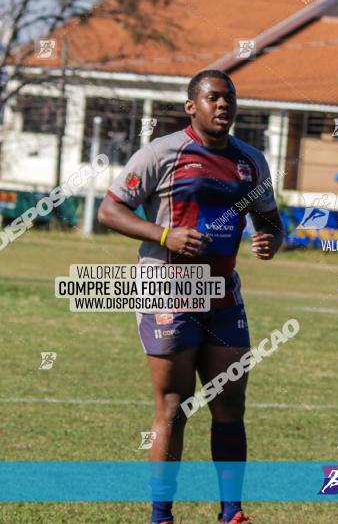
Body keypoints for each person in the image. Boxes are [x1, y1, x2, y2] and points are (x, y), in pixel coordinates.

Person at [97, 70, 284, 523]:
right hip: (169, 291)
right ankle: (161, 516)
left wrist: (270, 240)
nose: (223, 105)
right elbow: (110, 210)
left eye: (230, 98)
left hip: (223, 297)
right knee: (173, 408)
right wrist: (164, 234)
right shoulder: (160, 154)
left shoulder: (251, 161)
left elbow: (271, 221)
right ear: (191, 106)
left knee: (230, 406)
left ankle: (232, 513)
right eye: (213, 98)